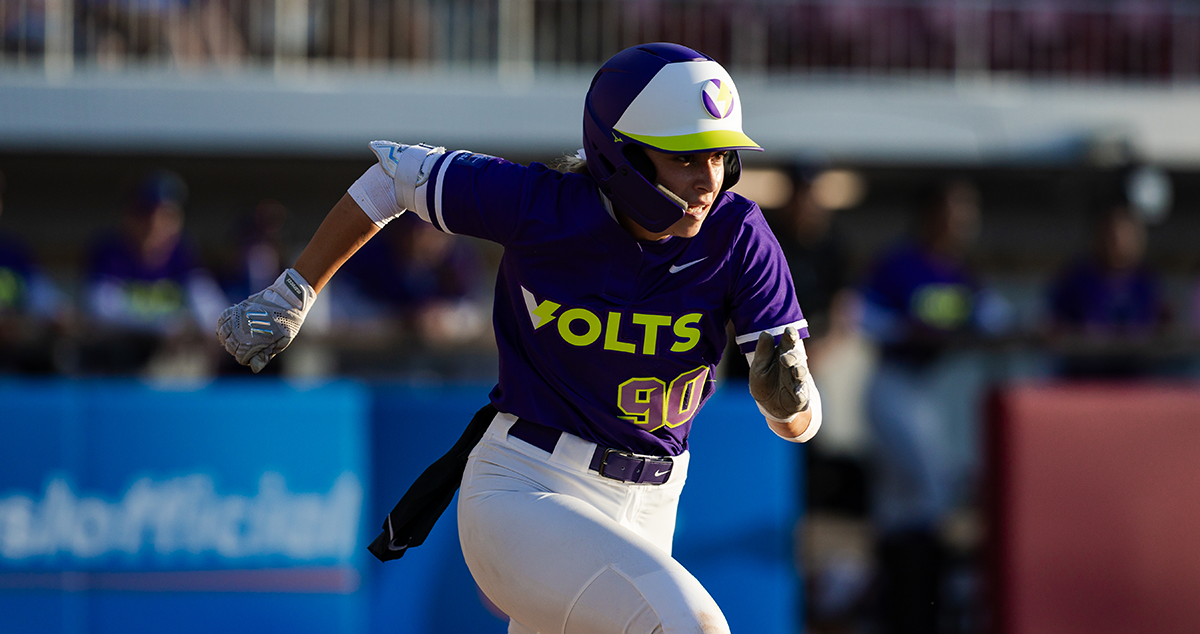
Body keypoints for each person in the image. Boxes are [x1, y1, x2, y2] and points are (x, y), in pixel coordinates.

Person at [217, 42, 822, 633]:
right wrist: (293, 291)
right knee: (693, 626)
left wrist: (792, 405)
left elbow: (801, 423)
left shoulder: (738, 233)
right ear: (623, 155)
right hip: (527, 487)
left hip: (653, 508)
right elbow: (391, 178)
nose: (708, 180)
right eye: (685, 157)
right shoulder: (540, 205)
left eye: (719, 157)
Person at [859, 180, 1006, 634]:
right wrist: (906, 327)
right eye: (951, 210)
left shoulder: (961, 272)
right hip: (893, 384)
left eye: (966, 212)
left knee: (907, 501)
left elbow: (995, 317)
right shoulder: (901, 262)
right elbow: (862, 314)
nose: (959, 221)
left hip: (932, 387)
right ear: (930, 213)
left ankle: (905, 607)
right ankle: (908, 601)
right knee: (929, 491)